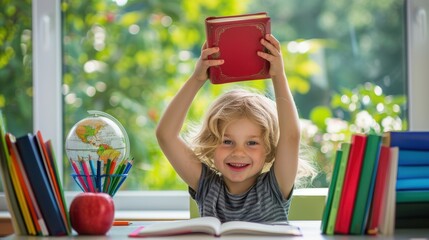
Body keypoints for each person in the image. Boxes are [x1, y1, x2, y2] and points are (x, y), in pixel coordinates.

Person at [156, 34, 316, 222]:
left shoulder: (275, 187)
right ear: (211, 144)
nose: (238, 152)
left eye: (252, 142)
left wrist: (278, 76)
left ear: (270, 150)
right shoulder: (207, 186)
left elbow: (290, 136)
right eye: (227, 141)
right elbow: (165, 135)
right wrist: (197, 79)